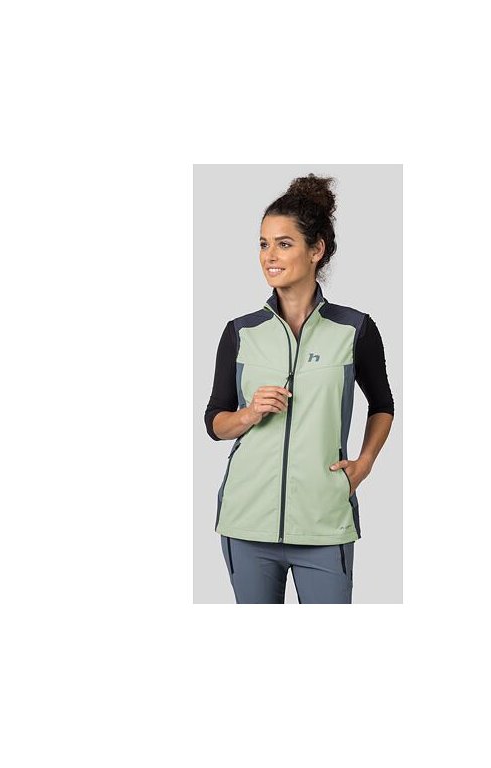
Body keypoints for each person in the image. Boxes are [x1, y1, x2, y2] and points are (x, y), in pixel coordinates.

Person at [203, 173, 395, 604]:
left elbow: (383, 404)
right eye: (263, 244)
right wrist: (250, 413)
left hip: (324, 522)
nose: (269, 256)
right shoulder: (241, 332)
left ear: (316, 250)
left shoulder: (354, 329)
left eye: (284, 243)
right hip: (246, 522)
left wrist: (364, 464)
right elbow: (214, 423)